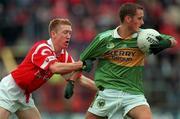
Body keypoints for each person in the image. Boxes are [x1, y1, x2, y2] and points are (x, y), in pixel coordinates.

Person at [79, 3, 177, 119]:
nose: (142, 22)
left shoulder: (145, 36)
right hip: (108, 93)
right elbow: (82, 60)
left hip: (133, 94)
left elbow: (173, 40)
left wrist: (166, 43)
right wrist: (73, 79)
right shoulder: (104, 38)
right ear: (128, 19)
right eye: (139, 18)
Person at [0, 18, 96, 119]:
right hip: (9, 90)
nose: (68, 36)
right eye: (65, 32)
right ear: (53, 34)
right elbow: (54, 68)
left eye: (70, 33)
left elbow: (79, 78)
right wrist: (81, 64)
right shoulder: (42, 48)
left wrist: (102, 89)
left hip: (25, 96)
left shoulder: (64, 56)